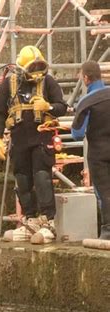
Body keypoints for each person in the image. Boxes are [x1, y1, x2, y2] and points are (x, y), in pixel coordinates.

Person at [0, 45, 67, 243]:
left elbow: (62, 107)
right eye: (32, 69)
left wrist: (48, 106)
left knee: (42, 177)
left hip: (41, 140)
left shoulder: (48, 82)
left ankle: (48, 222)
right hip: (19, 141)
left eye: (39, 68)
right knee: (23, 180)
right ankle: (30, 220)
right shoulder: (10, 84)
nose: (36, 73)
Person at [71, 61, 110, 240]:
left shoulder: (87, 101)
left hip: (99, 153)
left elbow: (77, 134)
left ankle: (107, 231)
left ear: (86, 78)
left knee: (104, 191)